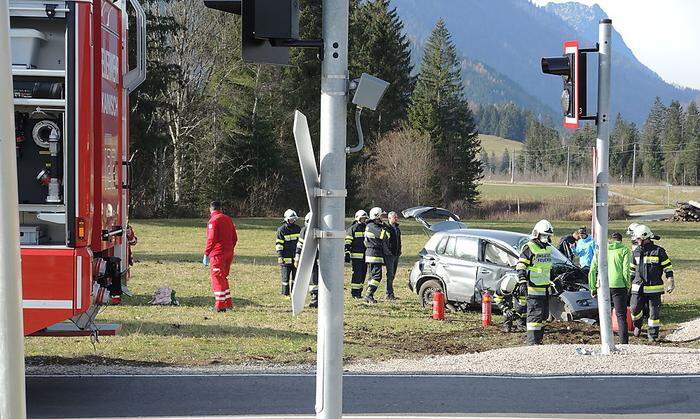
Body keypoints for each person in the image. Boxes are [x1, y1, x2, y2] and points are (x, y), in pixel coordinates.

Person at [629, 224, 675, 342]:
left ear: (645, 237)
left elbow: (668, 268)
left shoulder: (659, 251)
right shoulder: (636, 252)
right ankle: (638, 325)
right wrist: (629, 284)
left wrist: (670, 280)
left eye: (638, 239)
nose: (636, 241)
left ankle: (653, 336)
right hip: (637, 287)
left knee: (653, 314)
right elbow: (632, 270)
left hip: (654, 289)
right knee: (634, 309)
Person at [516, 219, 555, 345]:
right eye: (544, 235)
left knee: (543, 316)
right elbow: (521, 265)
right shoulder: (529, 247)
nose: (546, 238)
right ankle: (532, 343)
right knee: (534, 317)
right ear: (536, 234)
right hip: (533, 288)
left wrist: (555, 281)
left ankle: (539, 341)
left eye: (548, 236)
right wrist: (522, 280)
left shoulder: (548, 248)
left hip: (545, 288)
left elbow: (548, 267)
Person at [589, 232, 632, 344]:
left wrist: (592, 287)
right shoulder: (624, 250)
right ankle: (624, 342)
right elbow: (625, 270)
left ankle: (605, 341)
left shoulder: (601, 251)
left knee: (604, 314)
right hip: (619, 285)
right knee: (621, 315)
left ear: (611, 240)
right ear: (621, 240)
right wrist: (627, 285)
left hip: (603, 285)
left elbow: (592, 270)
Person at [203, 201, 237, 312]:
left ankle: (220, 305)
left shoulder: (213, 220)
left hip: (218, 254)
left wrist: (206, 253)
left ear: (210, 209)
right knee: (223, 277)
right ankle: (228, 303)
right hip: (229, 252)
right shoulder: (228, 219)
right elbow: (234, 238)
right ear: (220, 208)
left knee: (217, 278)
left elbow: (211, 239)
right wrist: (229, 248)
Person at [363, 207, 392, 304]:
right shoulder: (372, 226)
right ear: (376, 216)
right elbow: (385, 236)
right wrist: (384, 227)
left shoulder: (371, 225)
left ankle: (368, 295)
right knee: (376, 276)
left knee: (372, 276)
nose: (383, 218)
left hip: (373, 253)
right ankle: (368, 295)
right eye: (381, 216)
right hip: (374, 254)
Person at [276, 209, 301, 296]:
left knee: (295, 277)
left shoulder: (298, 229)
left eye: (294, 219)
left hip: (296, 258)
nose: (293, 221)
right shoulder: (281, 230)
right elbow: (279, 244)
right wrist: (280, 256)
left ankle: (294, 293)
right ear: (286, 219)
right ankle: (285, 294)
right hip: (285, 258)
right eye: (291, 219)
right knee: (285, 278)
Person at [296, 212, 318, 308]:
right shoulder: (304, 231)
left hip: (320, 258)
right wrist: (297, 256)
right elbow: (300, 245)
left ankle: (319, 297)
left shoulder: (319, 230)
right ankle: (315, 297)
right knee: (312, 278)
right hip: (309, 258)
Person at [345, 210, 368, 298]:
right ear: (358, 218)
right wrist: (347, 252)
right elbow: (347, 242)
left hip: (365, 256)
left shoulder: (366, 227)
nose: (364, 220)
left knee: (363, 274)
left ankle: (359, 292)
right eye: (362, 218)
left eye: (365, 218)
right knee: (357, 274)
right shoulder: (353, 228)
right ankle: (354, 293)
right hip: (356, 256)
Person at [384, 211, 402, 300]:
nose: (396, 218)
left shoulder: (397, 228)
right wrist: (388, 252)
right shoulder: (387, 228)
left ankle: (390, 293)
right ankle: (389, 294)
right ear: (389, 218)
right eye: (394, 217)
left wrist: (399, 251)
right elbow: (385, 242)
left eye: (396, 217)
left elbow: (399, 240)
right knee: (390, 274)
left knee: (393, 274)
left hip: (396, 254)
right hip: (389, 255)